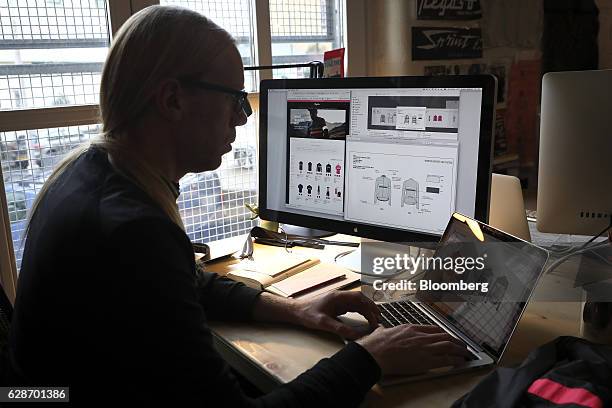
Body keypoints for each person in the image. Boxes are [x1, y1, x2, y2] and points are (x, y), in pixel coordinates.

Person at [7, 6, 470, 405]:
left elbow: (185, 284)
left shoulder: (90, 173)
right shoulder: (131, 229)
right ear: (172, 99)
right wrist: (370, 358)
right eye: (233, 99)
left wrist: (296, 309)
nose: (241, 117)